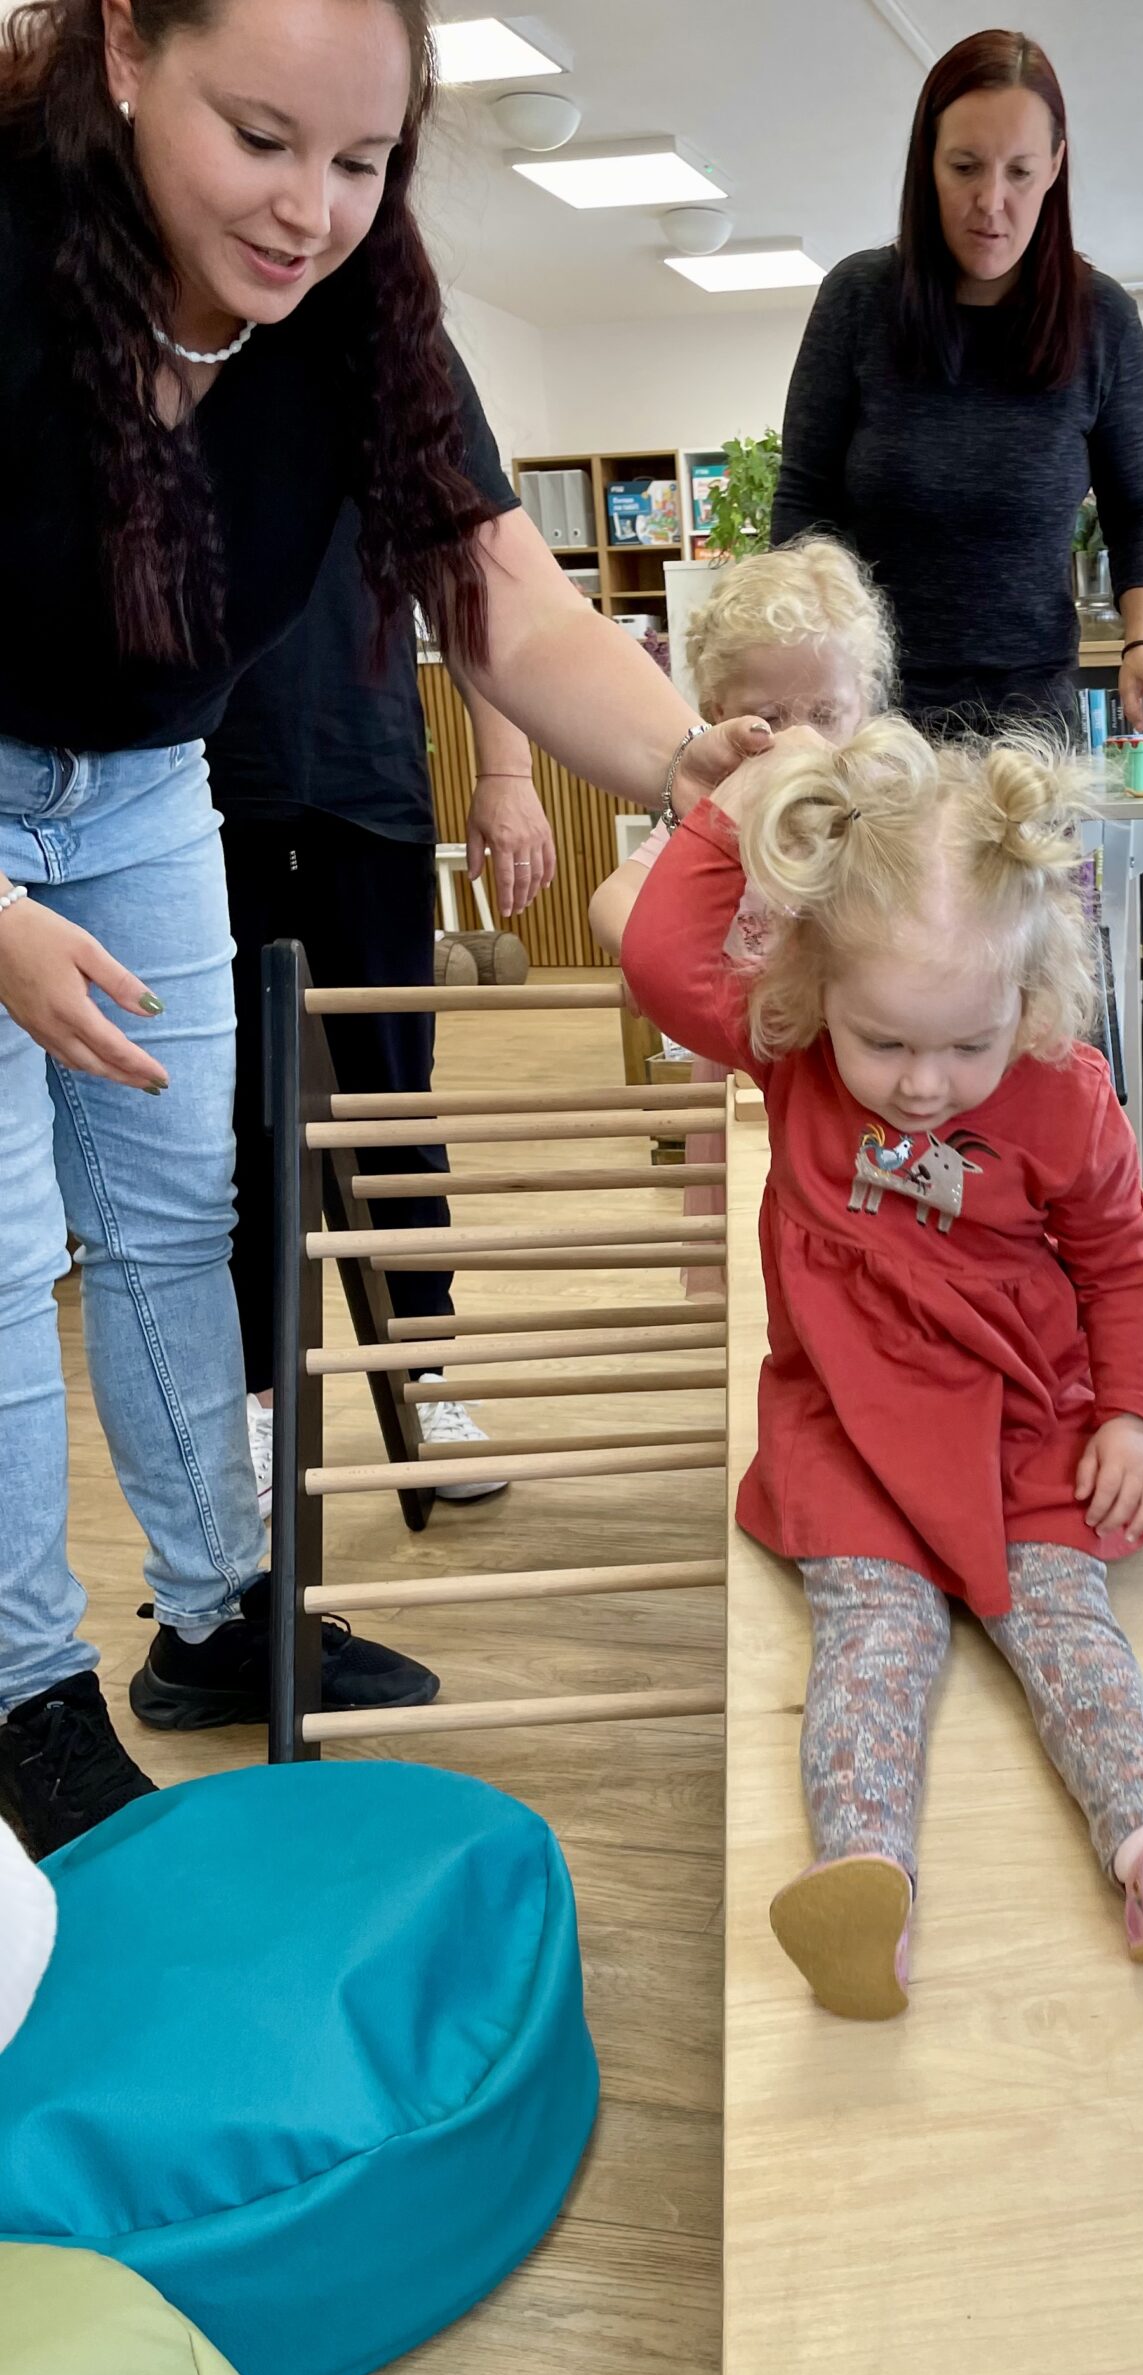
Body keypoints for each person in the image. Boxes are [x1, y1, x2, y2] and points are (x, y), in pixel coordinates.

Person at [0, 0, 769, 1860]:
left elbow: (505, 594)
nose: (310, 211)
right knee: (6, 1247)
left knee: (181, 1209)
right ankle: (25, 1694)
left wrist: (693, 765)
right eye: (261, 139)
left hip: (146, 778)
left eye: (362, 160)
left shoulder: (355, 306)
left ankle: (216, 1615)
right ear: (125, 51)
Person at [609, 717, 1143, 2021]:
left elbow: (1123, 1265)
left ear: (1029, 996)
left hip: (1023, 1425)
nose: (925, 1085)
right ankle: (861, 1878)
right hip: (847, 1426)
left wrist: (1131, 1419)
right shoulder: (793, 1047)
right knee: (875, 1634)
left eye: (965, 1043)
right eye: (885, 1042)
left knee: (1069, 1627)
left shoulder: (1061, 1088)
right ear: (817, 987)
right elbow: (657, 953)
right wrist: (743, 795)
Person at [210, 471, 557, 1512]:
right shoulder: (175, 399)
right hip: (211, 801)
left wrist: (507, 773)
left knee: (393, 1111)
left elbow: (472, 586)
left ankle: (425, 1382)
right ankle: (259, 1403)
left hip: (370, 796)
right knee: (240, 1123)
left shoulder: (387, 401)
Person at [770, 27, 1143, 745]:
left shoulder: (1101, 319)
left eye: (1020, 172)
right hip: (868, 718)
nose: (990, 202)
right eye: (965, 167)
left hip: (1029, 725)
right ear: (927, 162)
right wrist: (793, 668)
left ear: (1056, 167)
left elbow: (1139, 506)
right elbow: (803, 503)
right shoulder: (857, 301)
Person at [605, 536, 895, 1293]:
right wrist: (650, 954)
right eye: (770, 716)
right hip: (743, 1071)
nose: (800, 739)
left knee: (855, 1256)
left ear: (865, 706)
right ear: (718, 717)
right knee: (753, 1272)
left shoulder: (885, 804)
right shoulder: (716, 810)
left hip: (852, 1075)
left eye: (825, 713)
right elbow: (617, 898)